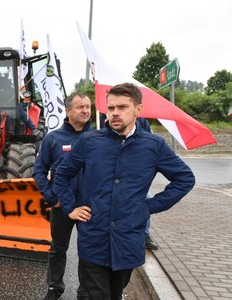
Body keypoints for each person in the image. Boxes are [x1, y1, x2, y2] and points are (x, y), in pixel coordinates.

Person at [52, 83, 195, 300]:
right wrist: (70, 207)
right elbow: (62, 175)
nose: (114, 113)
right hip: (93, 236)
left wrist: (150, 206)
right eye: (111, 108)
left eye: (122, 107)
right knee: (94, 294)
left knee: (116, 294)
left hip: (128, 239)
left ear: (138, 110)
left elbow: (185, 178)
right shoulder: (90, 141)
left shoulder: (153, 145)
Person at [33, 92, 93, 300]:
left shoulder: (98, 138)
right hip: (61, 205)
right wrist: (52, 198)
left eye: (88, 107)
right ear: (68, 111)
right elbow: (39, 171)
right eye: (80, 107)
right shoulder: (53, 139)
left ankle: (85, 291)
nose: (86, 111)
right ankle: (54, 287)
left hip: (88, 206)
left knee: (89, 250)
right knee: (58, 248)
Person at [100, 113, 159, 250]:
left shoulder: (143, 121)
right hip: (113, 173)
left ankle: (144, 235)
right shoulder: (107, 117)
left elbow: (147, 139)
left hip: (134, 174)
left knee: (145, 199)